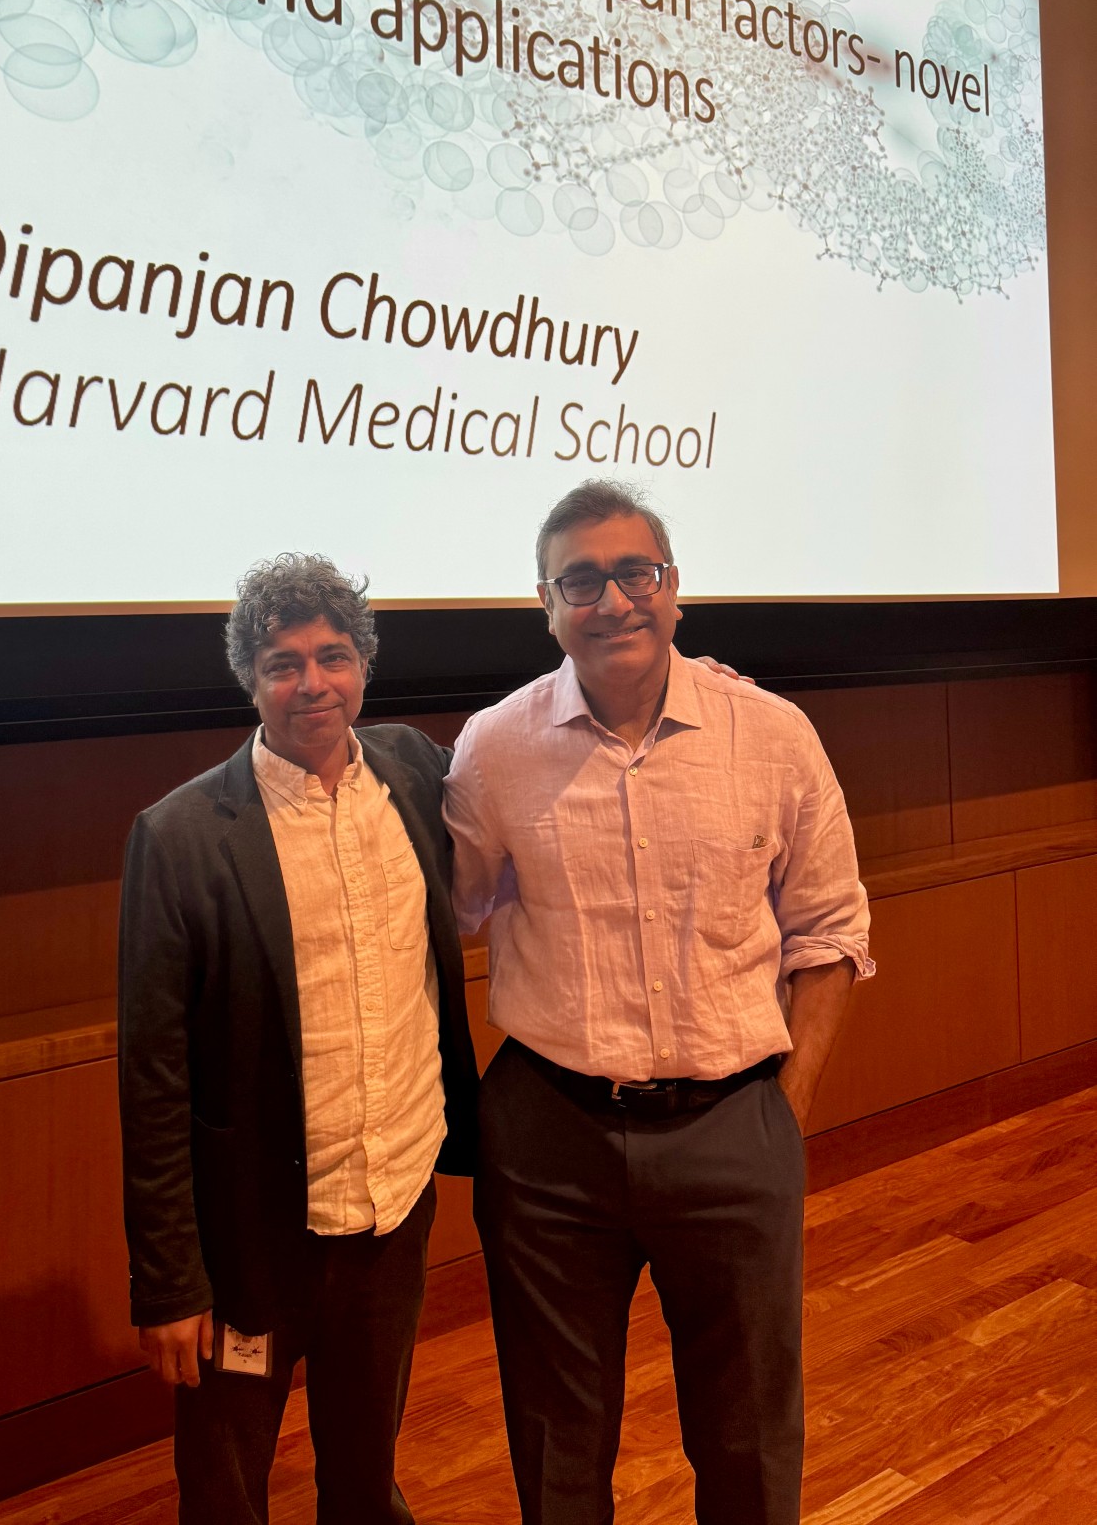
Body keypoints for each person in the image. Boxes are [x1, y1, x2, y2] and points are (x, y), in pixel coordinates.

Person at [445, 478, 873, 1525]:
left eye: (635, 573)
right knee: (556, 1437)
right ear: (546, 605)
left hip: (734, 1126)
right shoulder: (494, 748)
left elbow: (831, 930)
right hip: (548, 1141)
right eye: (581, 581)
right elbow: (452, 911)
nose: (613, 600)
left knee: (749, 1434)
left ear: (674, 587)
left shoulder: (773, 734)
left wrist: (783, 1110)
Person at [117, 552, 479, 1525]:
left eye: (332, 656)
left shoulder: (415, 771)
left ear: (362, 664)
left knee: (364, 1472)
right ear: (251, 677)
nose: (312, 682)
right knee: (226, 1486)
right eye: (284, 663)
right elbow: (153, 1079)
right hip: (253, 1241)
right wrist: (169, 1283)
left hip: (394, 1211)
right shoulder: (180, 836)